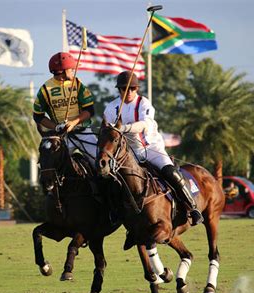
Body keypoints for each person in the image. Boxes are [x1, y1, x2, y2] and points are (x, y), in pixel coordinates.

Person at [103, 71, 203, 226]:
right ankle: (117, 213)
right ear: (119, 90)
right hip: (128, 154)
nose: (128, 92)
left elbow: (146, 124)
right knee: (111, 179)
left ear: (137, 89)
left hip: (151, 148)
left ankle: (192, 207)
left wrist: (125, 128)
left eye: (132, 88)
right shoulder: (111, 108)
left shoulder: (143, 103)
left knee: (170, 172)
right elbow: (107, 131)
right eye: (124, 88)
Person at [33, 52, 97, 166]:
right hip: (61, 136)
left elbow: (90, 110)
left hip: (83, 132)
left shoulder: (77, 84)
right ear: (63, 71)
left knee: (101, 164)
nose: (74, 71)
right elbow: (38, 116)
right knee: (51, 167)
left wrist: (73, 123)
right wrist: (56, 127)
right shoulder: (44, 90)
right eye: (71, 69)